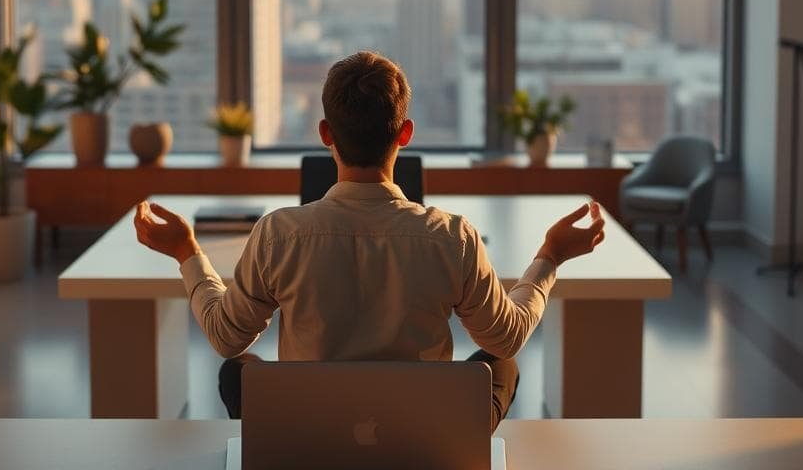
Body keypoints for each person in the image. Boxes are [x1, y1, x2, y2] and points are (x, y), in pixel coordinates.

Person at [134, 51, 606, 429]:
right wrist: (550, 256)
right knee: (500, 364)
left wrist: (187, 252)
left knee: (238, 370)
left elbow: (224, 335)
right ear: (405, 133)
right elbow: (507, 336)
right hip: (425, 435)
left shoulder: (278, 234)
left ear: (325, 134)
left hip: (309, 431)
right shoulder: (453, 237)